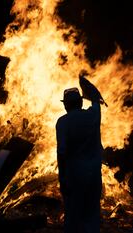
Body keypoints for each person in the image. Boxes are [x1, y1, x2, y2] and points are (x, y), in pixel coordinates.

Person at [56, 73, 104, 233]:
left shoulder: (63, 122)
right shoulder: (92, 116)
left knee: (73, 217)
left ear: (66, 105)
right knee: (92, 214)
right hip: (94, 175)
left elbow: (61, 153)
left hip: (74, 176)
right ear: (81, 102)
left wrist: (62, 178)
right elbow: (97, 99)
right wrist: (86, 84)